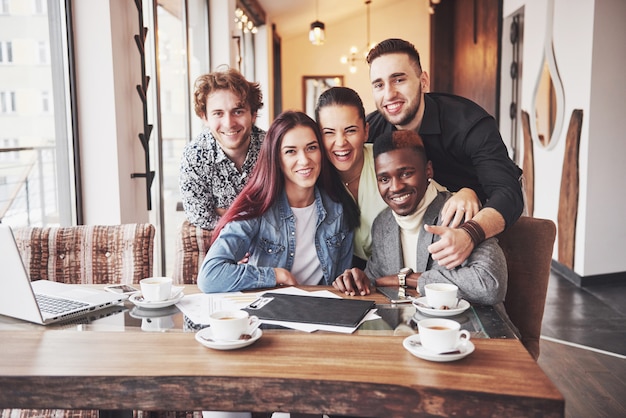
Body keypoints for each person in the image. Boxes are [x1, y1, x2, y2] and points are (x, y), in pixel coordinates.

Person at [365, 38, 524, 269]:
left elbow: (508, 193)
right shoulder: (374, 128)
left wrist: (471, 230)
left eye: (398, 79)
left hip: (486, 213)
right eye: (378, 85)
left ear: (423, 81)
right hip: (424, 224)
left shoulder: (468, 123)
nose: (388, 95)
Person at [334, 130, 507, 312]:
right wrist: (358, 280)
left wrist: (409, 279)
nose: (395, 187)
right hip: (410, 332)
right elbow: (379, 279)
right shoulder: (383, 223)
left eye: (406, 174)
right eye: (384, 179)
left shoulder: (459, 210)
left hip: (475, 332)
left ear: (428, 170)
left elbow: (490, 284)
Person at [315, 86, 481, 269]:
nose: (340, 142)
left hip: (404, 269)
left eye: (350, 130)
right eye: (329, 132)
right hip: (353, 273)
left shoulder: (386, 161)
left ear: (366, 131)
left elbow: (430, 192)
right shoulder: (316, 177)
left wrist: (466, 193)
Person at [197, 111, 359, 293]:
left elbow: (341, 287)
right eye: (291, 151)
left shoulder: (339, 210)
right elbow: (210, 277)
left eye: (312, 148)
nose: (304, 160)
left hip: (321, 312)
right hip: (268, 313)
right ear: (277, 159)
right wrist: (276, 275)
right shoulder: (257, 209)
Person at [179, 67, 265, 230]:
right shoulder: (195, 156)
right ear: (204, 117)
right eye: (218, 113)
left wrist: (224, 212)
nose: (229, 123)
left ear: (253, 114)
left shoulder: (272, 147)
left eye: (238, 111)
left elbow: (284, 207)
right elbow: (200, 215)